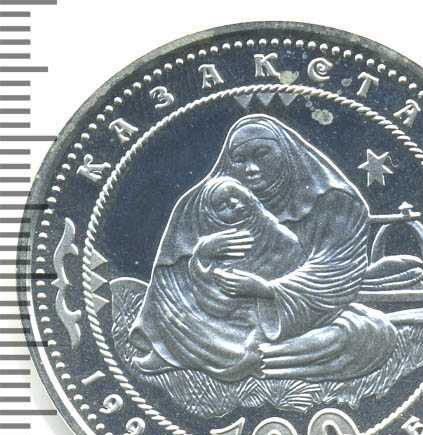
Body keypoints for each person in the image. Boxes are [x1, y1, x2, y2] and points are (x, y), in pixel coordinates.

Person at [130, 114, 397, 382]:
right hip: (219, 314)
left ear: (286, 152)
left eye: (261, 155)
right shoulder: (199, 203)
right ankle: (205, 353)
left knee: (370, 333)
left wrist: (266, 290)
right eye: (239, 159)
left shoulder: (337, 202)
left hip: (301, 314)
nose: (250, 169)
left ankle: (251, 358)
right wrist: (202, 256)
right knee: (185, 322)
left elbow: (335, 275)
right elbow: (169, 280)